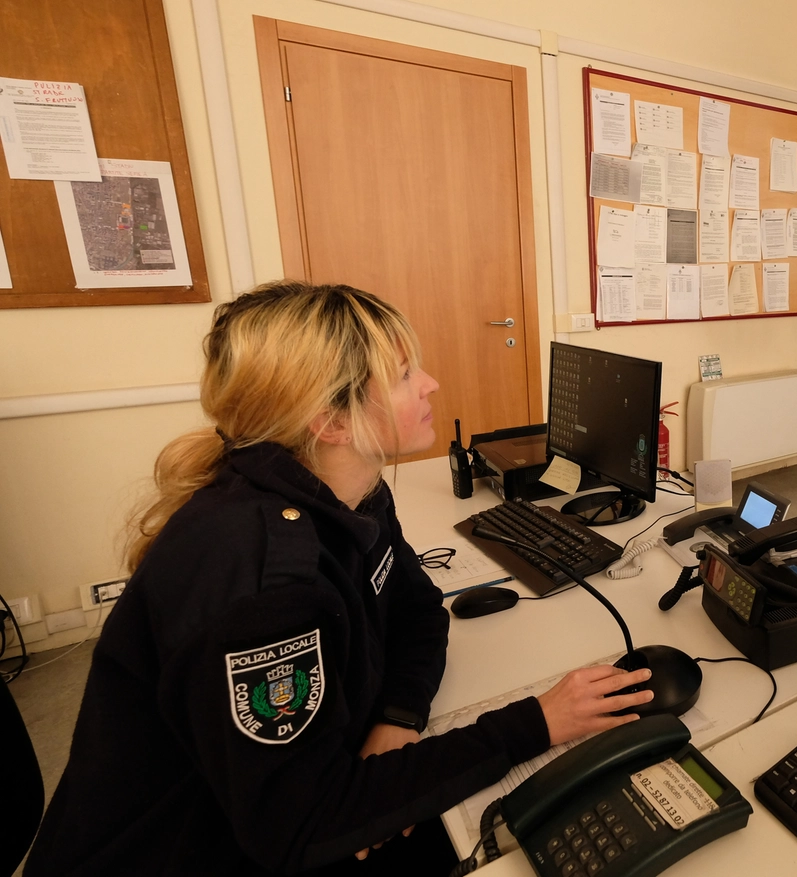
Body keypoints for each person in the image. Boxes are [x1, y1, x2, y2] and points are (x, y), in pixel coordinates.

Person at [26, 281, 654, 876]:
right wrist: (537, 723)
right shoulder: (265, 585)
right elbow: (299, 826)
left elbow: (417, 611)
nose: (431, 384)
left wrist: (400, 717)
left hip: (282, 800)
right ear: (332, 422)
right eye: (405, 375)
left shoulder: (349, 490)